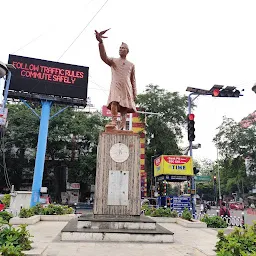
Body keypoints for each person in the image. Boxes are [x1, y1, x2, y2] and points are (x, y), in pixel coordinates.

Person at [95, 29, 137, 130]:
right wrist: (101, 42)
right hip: (116, 85)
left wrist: (134, 92)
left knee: (124, 108)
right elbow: (104, 57)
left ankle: (122, 126)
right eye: (120, 48)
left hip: (126, 87)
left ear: (127, 51)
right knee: (114, 101)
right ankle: (114, 120)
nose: (121, 49)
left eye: (123, 48)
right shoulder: (114, 61)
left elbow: (133, 80)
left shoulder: (131, 65)